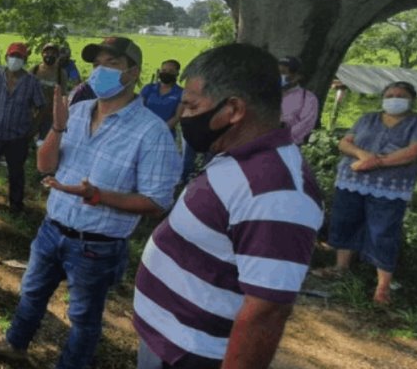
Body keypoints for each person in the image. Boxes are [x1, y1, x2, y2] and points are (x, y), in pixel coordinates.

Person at [0, 36, 181, 368]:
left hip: (96, 246)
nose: (100, 72)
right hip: (52, 229)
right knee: (31, 293)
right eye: (96, 65)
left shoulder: (151, 132)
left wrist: (97, 196)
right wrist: (57, 126)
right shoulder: (79, 110)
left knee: (83, 318)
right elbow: (45, 165)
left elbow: (157, 202)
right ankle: (15, 343)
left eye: (110, 65)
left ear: (133, 73)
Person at [133, 43, 323, 368]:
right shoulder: (238, 157)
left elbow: (267, 311)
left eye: (191, 106)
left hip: (191, 355)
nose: (186, 117)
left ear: (232, 110)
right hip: (170, 341)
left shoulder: (278, 193)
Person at [314, 81, 417, 305]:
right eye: (390, 94)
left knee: (383, 231)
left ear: (412, 99)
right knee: (345, 221)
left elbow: (415, 150)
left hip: (390, 187)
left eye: (401, 95)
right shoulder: (367, 118)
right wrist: (362, 155)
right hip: (352, 180)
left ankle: (383, 286)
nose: (394, 98)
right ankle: (341, 268)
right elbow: (345, 143)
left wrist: (376, 163)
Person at [0, 42, 44, 213]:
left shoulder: (31, 82)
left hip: (17, 136)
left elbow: (41, 107)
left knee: (16, 172)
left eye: (19, 57)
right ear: (6, 57)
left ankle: (16, 205)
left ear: (25, 59)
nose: (15, 60)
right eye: (12, 56)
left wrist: (32, 130)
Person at [32, 43, 68, 144]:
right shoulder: (35, 70)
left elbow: (63, 95)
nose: (49, 55)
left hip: (50, 116)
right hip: (33, 114)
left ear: (57, 56)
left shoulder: (61, 73)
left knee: (44, 143)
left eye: (53, 53)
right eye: (47, 52)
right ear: (42, 54)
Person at [279, 56, 319, 144]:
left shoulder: (308, 98)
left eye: (283, 72)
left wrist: (281, 136)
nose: (279, 76)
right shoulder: (265, 93)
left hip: (288, 146)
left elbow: (306, 124)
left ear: (298, 76)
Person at [140, 59, 183, 131]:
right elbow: (139, 109)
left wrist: (160, 130)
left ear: (177, 73)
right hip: (143, 129)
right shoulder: (148, 88)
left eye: (171, 71)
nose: (166, 73)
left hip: (165, 132)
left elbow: (177, 117)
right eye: (164, 70)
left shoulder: (181, 92)